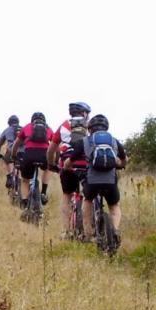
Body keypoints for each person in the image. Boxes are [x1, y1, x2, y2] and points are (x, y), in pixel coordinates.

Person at [65, 114, 126, 244]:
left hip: (92, 181)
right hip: (110, 181)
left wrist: (67, 167)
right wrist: (120, 165)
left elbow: (70, 160)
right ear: (106, 127)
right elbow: (124, 160)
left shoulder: (85, 141)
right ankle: (114, 230)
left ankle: (89, 234)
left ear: (90, 128)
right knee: (114, 206)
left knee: (87, 202)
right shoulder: (114, 141)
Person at [47, 102, 92, 238]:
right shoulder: (91, 125)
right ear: (84, 113)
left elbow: (51, 149)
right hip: (86, 164)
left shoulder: (64, 125)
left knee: (67, 195)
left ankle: (65, 231)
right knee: (89, 196)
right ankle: (89, 231)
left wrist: (51, 163)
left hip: (67, 164)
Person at [11, 112, 54, 207]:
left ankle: (25, 202)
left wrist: (14, 156)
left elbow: (16, 145)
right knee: (47, 169)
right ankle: (43, 192)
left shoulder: (26, 127)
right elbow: (56, 145)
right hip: (44, 155)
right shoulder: (48, 128)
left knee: (25, 180)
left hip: (29, 155)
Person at [0, 115, 21, 188]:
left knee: (7, 159)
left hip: (11, 151)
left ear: (9, 123)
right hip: (24, 152)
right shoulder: (23, 129)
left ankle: (10, 175)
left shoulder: (7, 130)